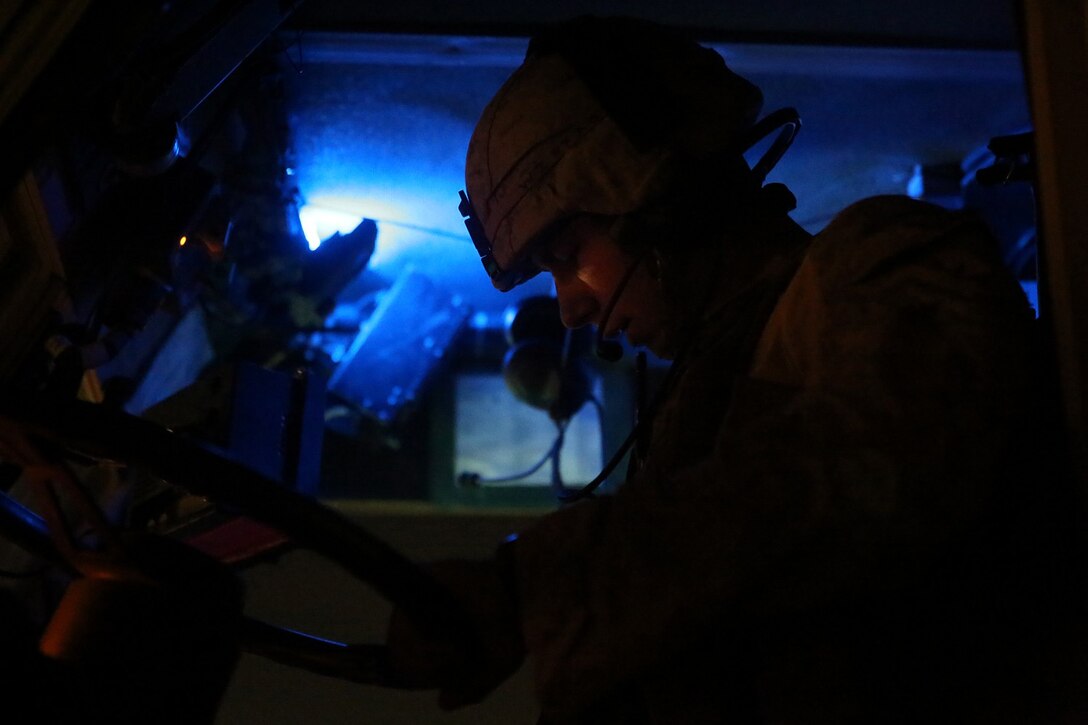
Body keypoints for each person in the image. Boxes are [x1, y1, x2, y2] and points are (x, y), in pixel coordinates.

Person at [386, 15, 1086, 723]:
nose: (568, 308)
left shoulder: (872, 261)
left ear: (656, 198)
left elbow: (880, 468)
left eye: (568, 255)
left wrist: (536, 586)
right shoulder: (695, 412)